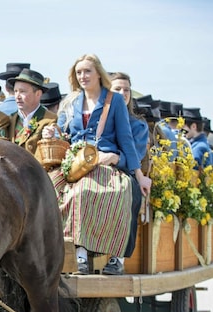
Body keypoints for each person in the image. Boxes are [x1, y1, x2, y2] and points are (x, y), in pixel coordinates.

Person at [42, 54, 152, 275]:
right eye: (79, 72)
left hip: (104, 161)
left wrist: (139, 175)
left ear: (98, 74)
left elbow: (126, 139)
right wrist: (51, 131)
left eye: (87, 71)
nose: (82, 76)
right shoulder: (71, 102)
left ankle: (91, 255)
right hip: (74, 162)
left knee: (89, 192)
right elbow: (63, 133)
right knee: (48, 187)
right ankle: (50, 252)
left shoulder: (115, 100)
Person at [109, 71, 150, 272]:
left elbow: (137, 153)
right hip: (96, 169)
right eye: (117, 89)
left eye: (126, 89)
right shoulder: (100, 120)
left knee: (126, 193)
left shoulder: (139, 124)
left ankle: (118, 257)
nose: (123, 93)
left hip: (126, 173)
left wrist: (116, 158)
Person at [6, 68, 57, 154]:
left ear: (38, 94)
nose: (17, 96)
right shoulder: (10, 120)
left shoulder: (50, 120)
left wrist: (52, 138)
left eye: (22, 91)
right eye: (15, 91)